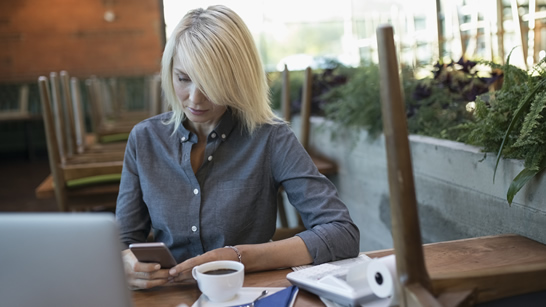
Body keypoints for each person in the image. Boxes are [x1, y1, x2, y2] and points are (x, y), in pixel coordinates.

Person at [116, 4, 359, 290]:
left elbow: (342, 233)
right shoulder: (144, 139)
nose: (195, 98)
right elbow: (123, 241)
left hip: (248, 291)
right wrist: (124, 262)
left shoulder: (270, 137)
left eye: (210, 83)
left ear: (237, 80)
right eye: (183, 78)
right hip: (169, 294)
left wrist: (239, 256)